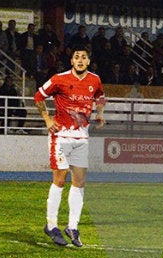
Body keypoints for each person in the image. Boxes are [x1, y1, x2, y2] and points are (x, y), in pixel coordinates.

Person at [33, 45, 106, 247]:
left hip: (82, 137)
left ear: (88, 61)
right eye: (76, 57)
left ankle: (72, 226)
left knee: (80, 182)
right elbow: (38, 96)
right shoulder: (59, 79)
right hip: (61, 135)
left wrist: (99, 111)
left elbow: (100, 95)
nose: (80, 60)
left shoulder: (95, 79)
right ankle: (51, 225)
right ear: (71, 61)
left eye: (84, 57)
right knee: (60, 179)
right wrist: (47, 119)